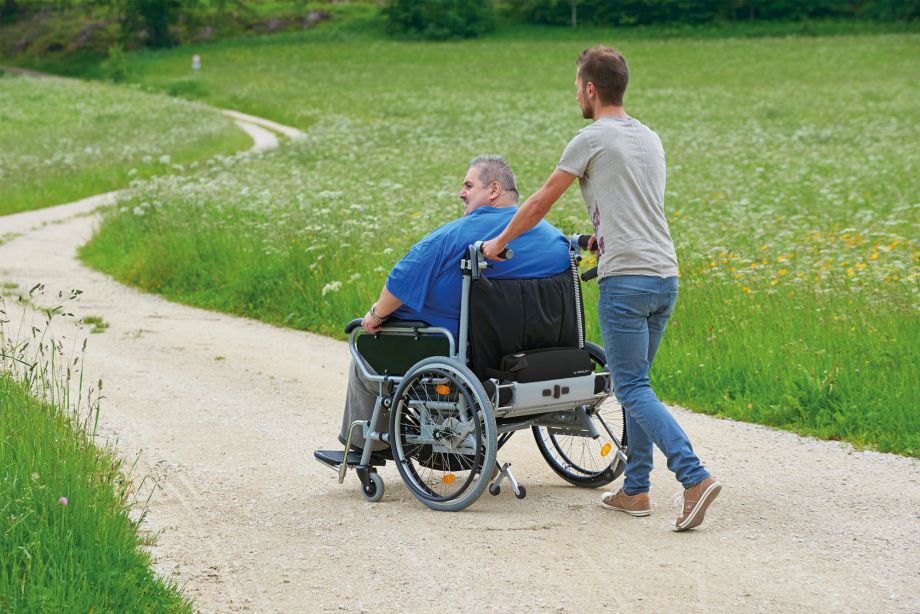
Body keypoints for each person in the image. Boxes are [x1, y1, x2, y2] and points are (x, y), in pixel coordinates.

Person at [482, 46, 721, 531]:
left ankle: (693, 478)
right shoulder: (649, 137)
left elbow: (540, 202)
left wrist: (498, 242)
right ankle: (635, 489)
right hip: (664, 274)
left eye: (577, 86)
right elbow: (632, 204)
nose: (576, 94)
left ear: (590, 89)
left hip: (627, 280)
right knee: (639, 386)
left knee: (631, 387)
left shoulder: (590, 138)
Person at [338, 155, 571, 454]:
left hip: (461, 353)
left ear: (494, 190)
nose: (461, 193)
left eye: (468, 185)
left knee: (365, 350)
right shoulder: (554, 239)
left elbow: (399, 281)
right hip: (534, 352)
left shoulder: (454, 236)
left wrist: (373, 316)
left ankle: (363, 448)